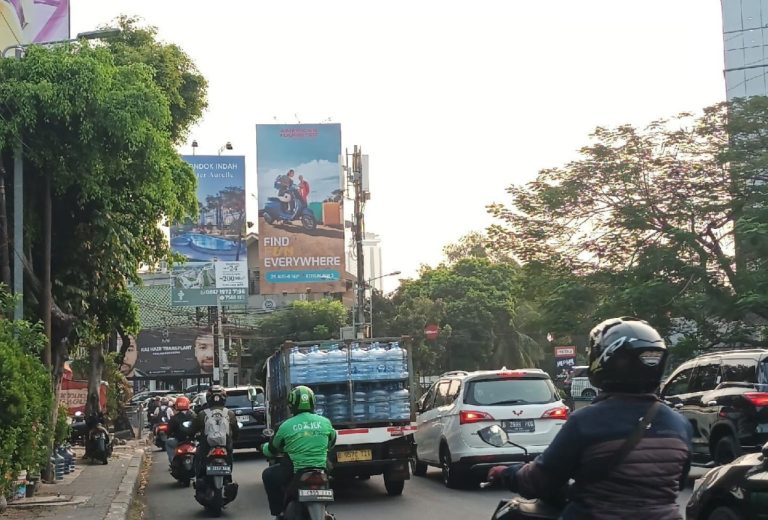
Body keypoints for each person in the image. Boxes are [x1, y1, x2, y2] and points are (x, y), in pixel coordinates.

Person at [486, 317, 692, 520]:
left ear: (602, 361)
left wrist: (507, 473)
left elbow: (539, 481)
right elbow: (678, 482)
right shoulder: (679, 424)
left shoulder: (585, 422)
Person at [261, 385, 337, 520]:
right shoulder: (325, 422)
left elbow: (272, 450)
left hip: (295, 469)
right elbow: (331, 443)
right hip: (321, 468)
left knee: (268, 475)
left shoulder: (285, 426)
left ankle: (279, 512)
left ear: (291, 405)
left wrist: (263, 448)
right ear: (313, 403)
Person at [190, 385, 239, 482]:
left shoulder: (202, 414)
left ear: (208, 399)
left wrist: (191, 436)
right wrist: (234, 439)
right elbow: (236, 430)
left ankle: (200, 477)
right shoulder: (230, 413)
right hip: (225, 445)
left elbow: (192, 429)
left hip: (206, 446)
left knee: (199, 458)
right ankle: (228, 479)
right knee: (229, 457)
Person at [166, 396, 197, 465]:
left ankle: (172, 462)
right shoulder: (194, 416)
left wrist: (169, 435)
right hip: (192, 440)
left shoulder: (174, 418)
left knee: (168, 443)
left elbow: (169, 431)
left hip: (179, 441)